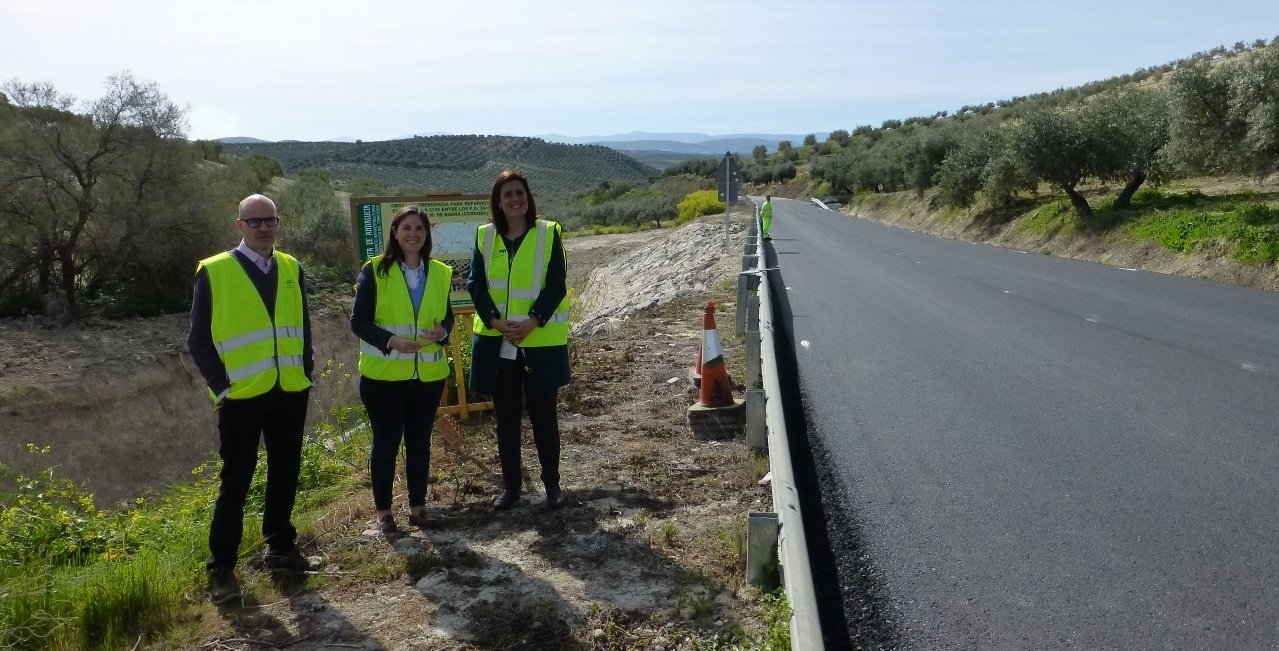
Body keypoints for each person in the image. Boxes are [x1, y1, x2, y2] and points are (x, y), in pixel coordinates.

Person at [187, 193, 314, 606]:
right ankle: (221, 568)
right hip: (241, 395)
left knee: (285, 470)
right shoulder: (215, 270)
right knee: (237, 478)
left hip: (289, 389)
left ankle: (280, 546)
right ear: (239, 226)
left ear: (278, 223)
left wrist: (306, 372)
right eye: (255, 221)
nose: (263, 227)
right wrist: (222, 388)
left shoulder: (291, 267)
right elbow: (198, 338)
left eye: (270, 220)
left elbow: (303, 327)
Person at [466, 170, 571, 511]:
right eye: (508, 194)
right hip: (499, 342)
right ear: (498, 202)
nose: (515, 199)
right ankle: (511, 487)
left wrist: (533, 321)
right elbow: (475, 284)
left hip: (539, 341)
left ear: (528, 197)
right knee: (506, 419)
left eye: (520, 193)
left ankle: (552, 484)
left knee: (544, 417)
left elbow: (556, 284)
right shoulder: (484, 236)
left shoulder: (548, 233)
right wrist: (495, 321)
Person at [350, 205, 454, 535]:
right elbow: (358, 322)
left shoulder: (440, 273)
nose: (413, 234)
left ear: (426, 234)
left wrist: (443, 333)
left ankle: (418, 507)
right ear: (395, 233)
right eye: (406, 228)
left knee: (419, 443)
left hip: (428, 377)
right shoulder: (375, 270)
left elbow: (447, 318)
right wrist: (391, 340)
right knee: (385, 445)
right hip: (384, 379)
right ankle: (384, 512)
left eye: (419, 228)